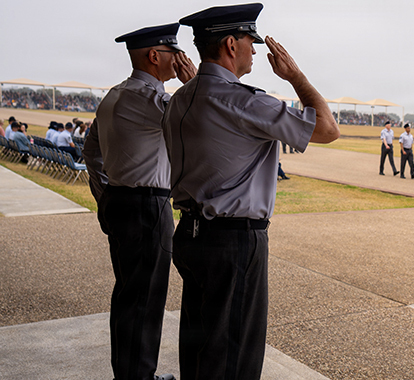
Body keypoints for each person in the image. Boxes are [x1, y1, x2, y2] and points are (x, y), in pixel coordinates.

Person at [165, 4, 339, 379]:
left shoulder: (181, 98)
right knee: (234, 358)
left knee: (199, 348)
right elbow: (327, 128)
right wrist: (296, 76)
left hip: (191, 234)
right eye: (250, 42)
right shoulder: (245, 100)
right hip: (233, 241)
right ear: (231, 45)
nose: (255, 51)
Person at [81, 22, 196, 380]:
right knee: (146, 298)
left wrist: (105, 195)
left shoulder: (114, 95)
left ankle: (128, 373)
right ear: (154, 56)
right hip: (148, 206)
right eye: (174, 52)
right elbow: (202, 121)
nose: (180, 58)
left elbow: (91, 151)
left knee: (129, 294)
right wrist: (194, 84)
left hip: (120, 199)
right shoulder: (153, 100)